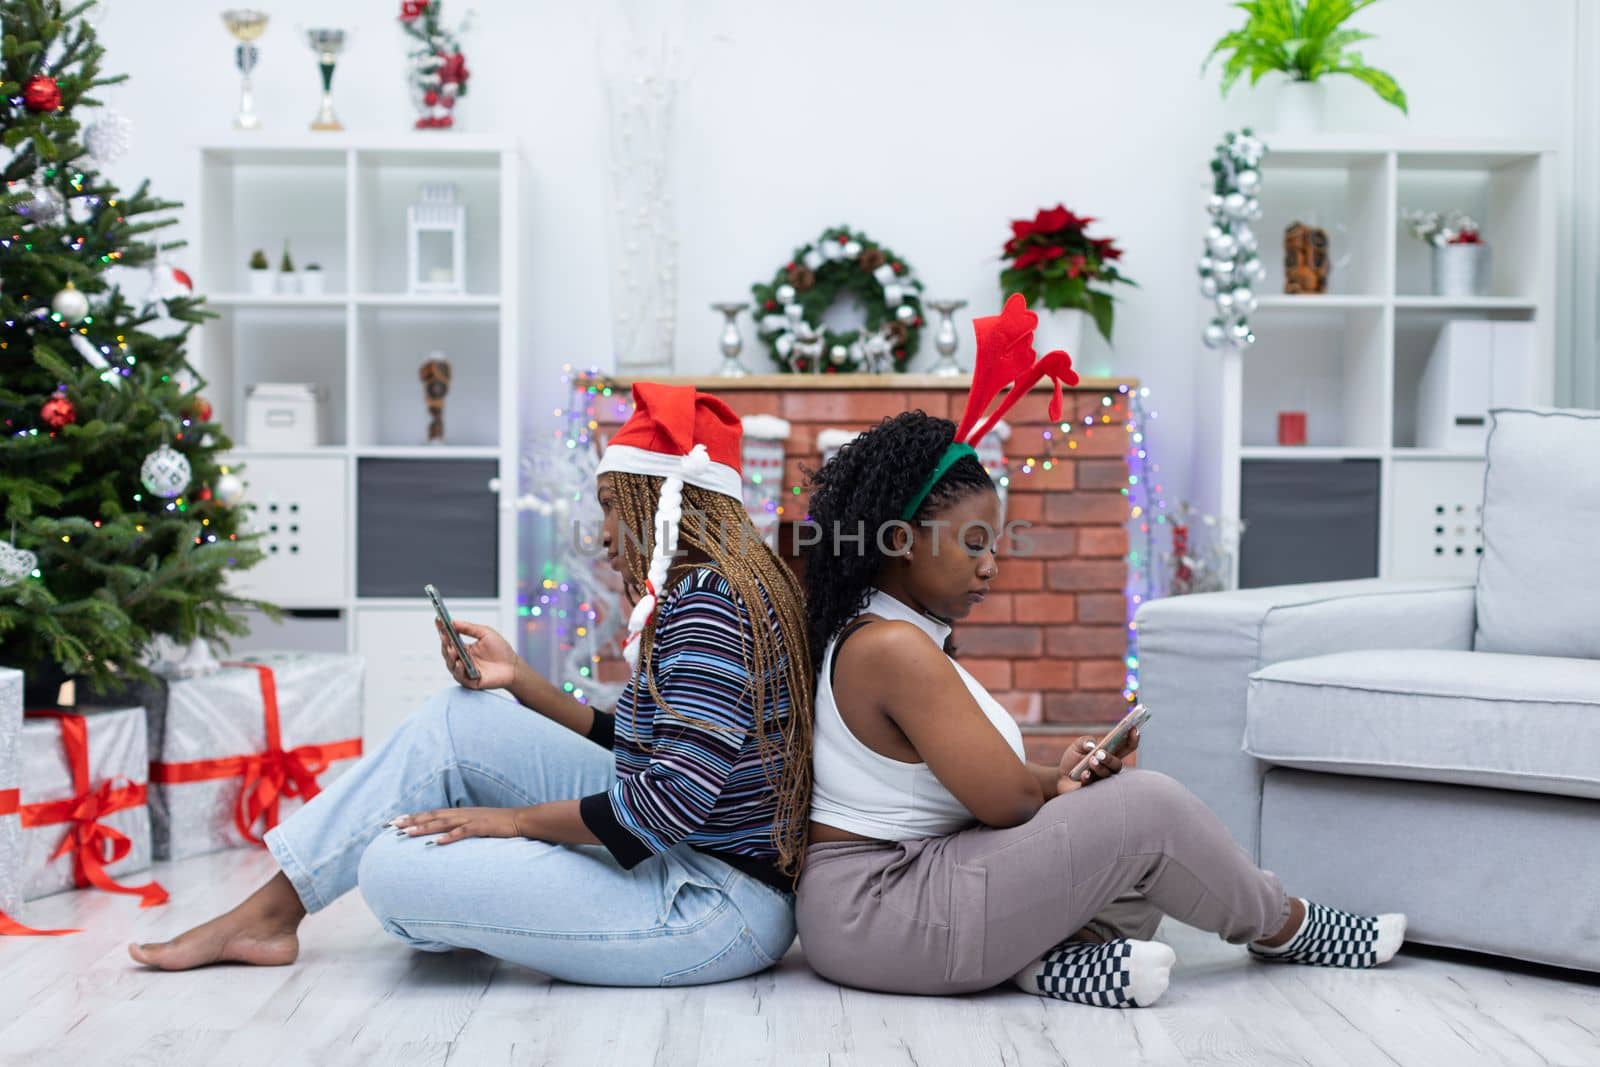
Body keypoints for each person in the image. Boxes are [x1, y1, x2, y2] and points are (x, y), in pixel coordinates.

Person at [793, 296, 1405, 1008]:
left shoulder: (887, 628)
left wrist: (1060, 777)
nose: (992, 563)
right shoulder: (893, 647)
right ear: (898, 541)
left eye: (995, 542)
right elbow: (1001, 801)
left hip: (903, 896)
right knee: (1144, 806)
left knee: (1131, 858)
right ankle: (1284, 924)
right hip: (882, 909)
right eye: (973, 543)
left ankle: (1040, 962)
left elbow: (977, 788)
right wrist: (1055, 785)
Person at [131, 383, 815, 987]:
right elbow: (638, 746)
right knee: (457, 719)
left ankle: (476, 893)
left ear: (664, 501)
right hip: (692, 862)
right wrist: (518, 680)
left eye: (611, 505)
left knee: (391, 868)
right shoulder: (706, 589)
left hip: (713, 903)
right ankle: (270, 913)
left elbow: (665, 804)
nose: (603, 534)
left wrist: (511, 823)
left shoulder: (708, 603)